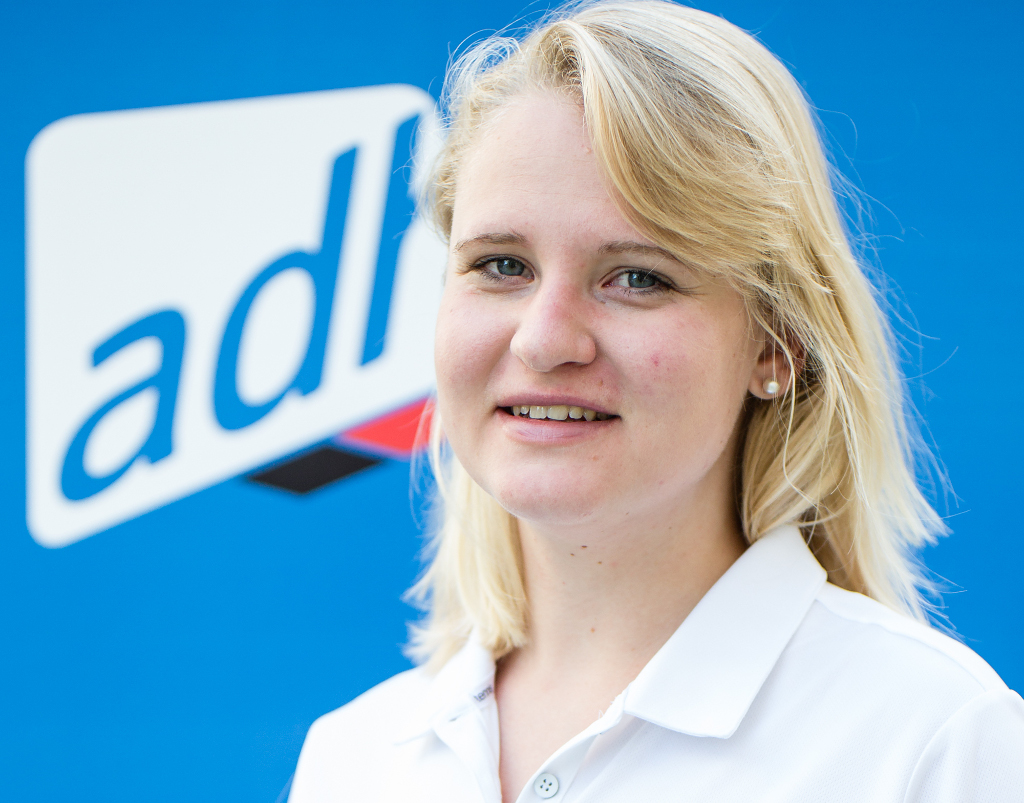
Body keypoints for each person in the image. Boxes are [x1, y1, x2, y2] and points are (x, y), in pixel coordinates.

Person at [288, 2, 1024, 800]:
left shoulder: (932, 741)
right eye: (502, 265)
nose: (543, 340)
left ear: (776, 342)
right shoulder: (353, 759)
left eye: (637, 277)